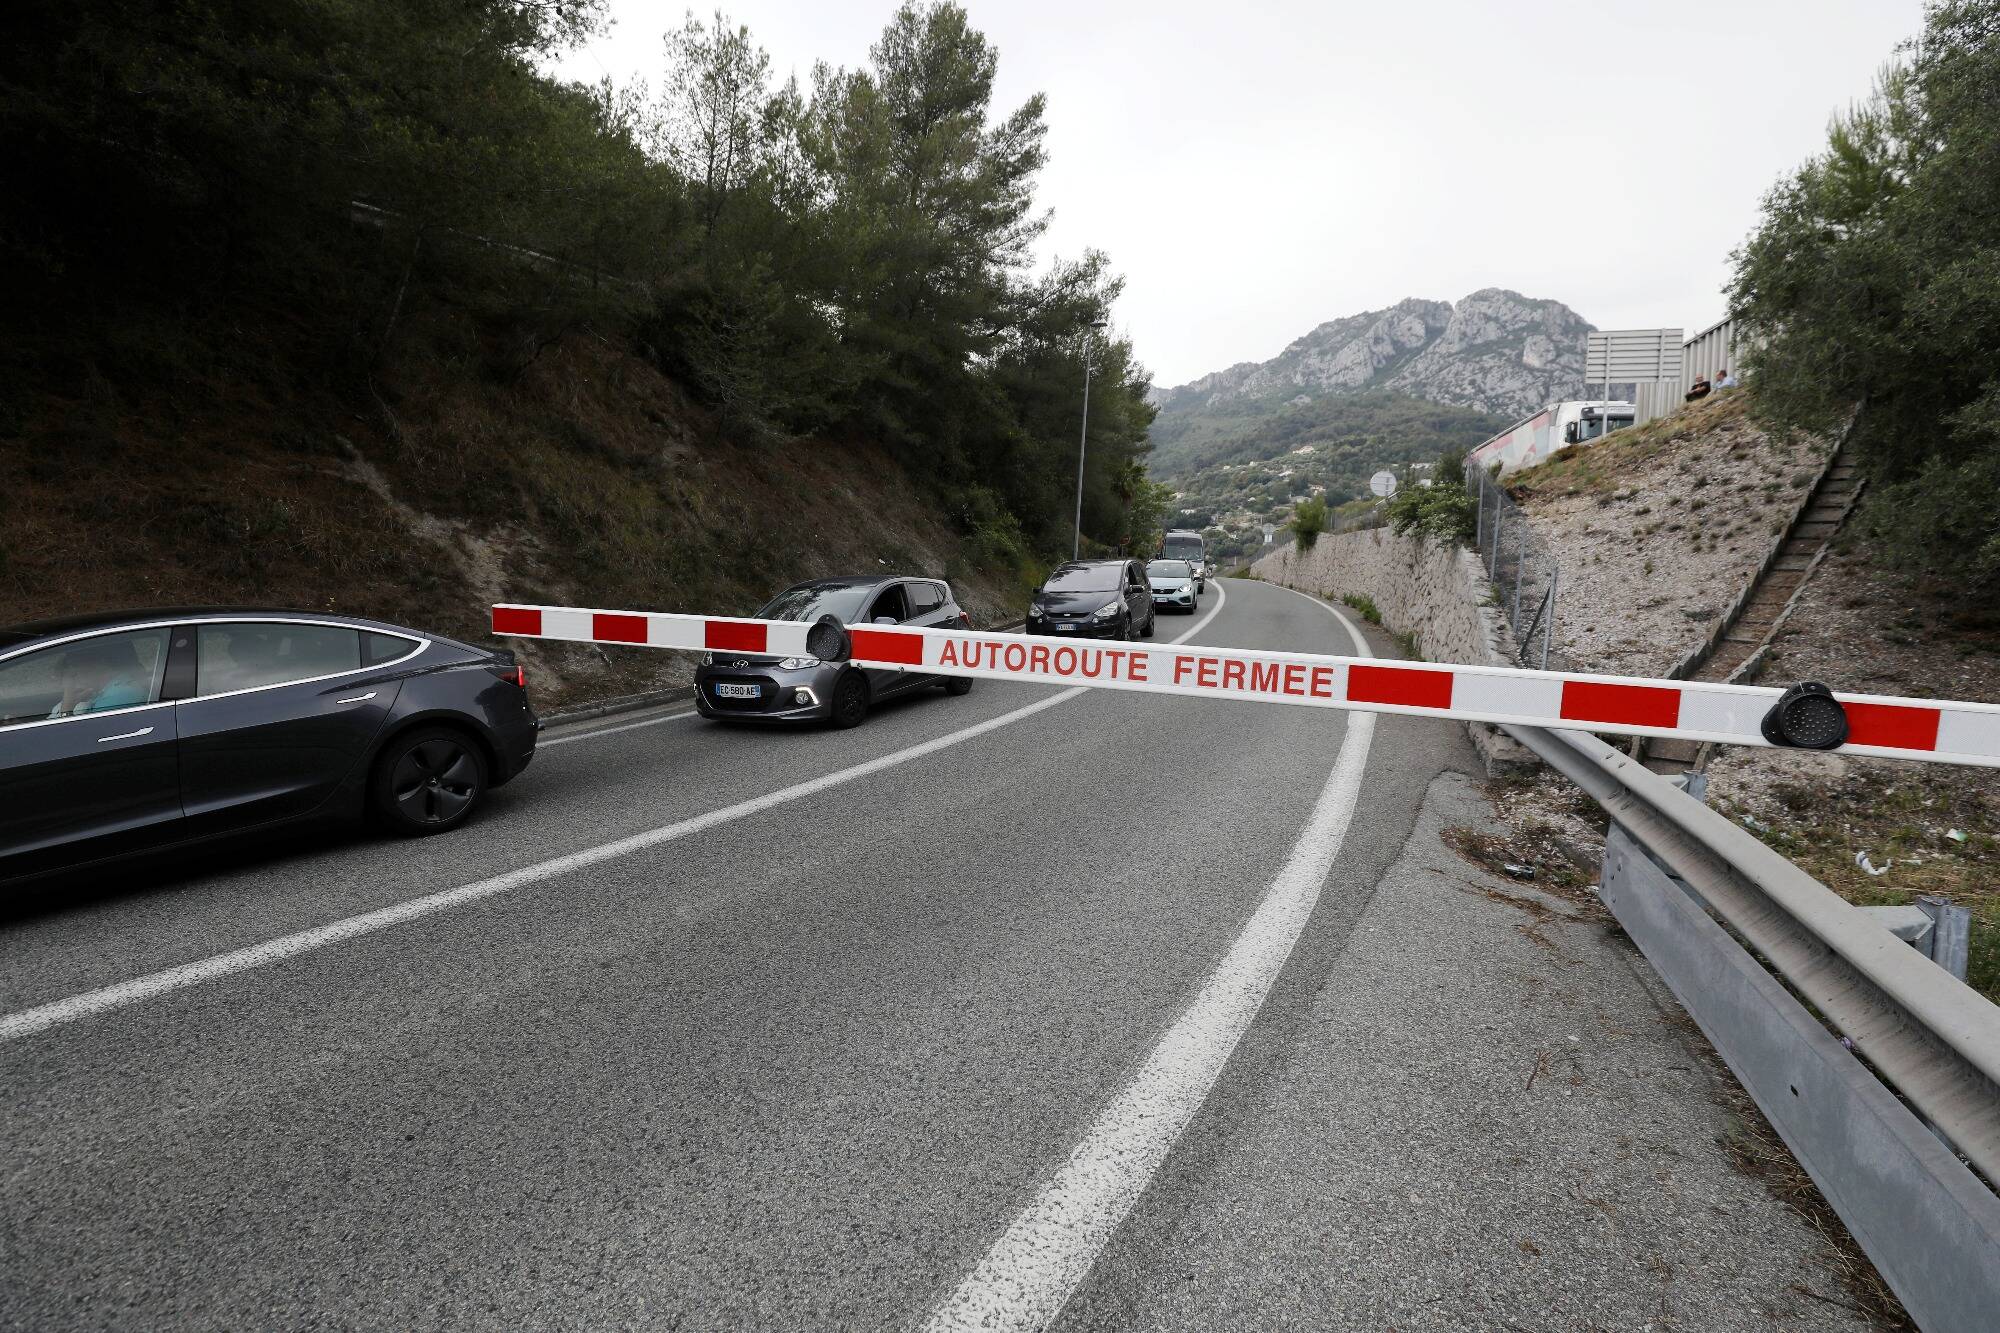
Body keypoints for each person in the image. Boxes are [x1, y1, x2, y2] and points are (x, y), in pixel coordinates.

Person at [46, 638, 152, 718]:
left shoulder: (120, 696)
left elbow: (78, 738)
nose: (73, 672)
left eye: (75, 663)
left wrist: (67, 706)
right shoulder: (112, 691)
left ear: (99, 661)